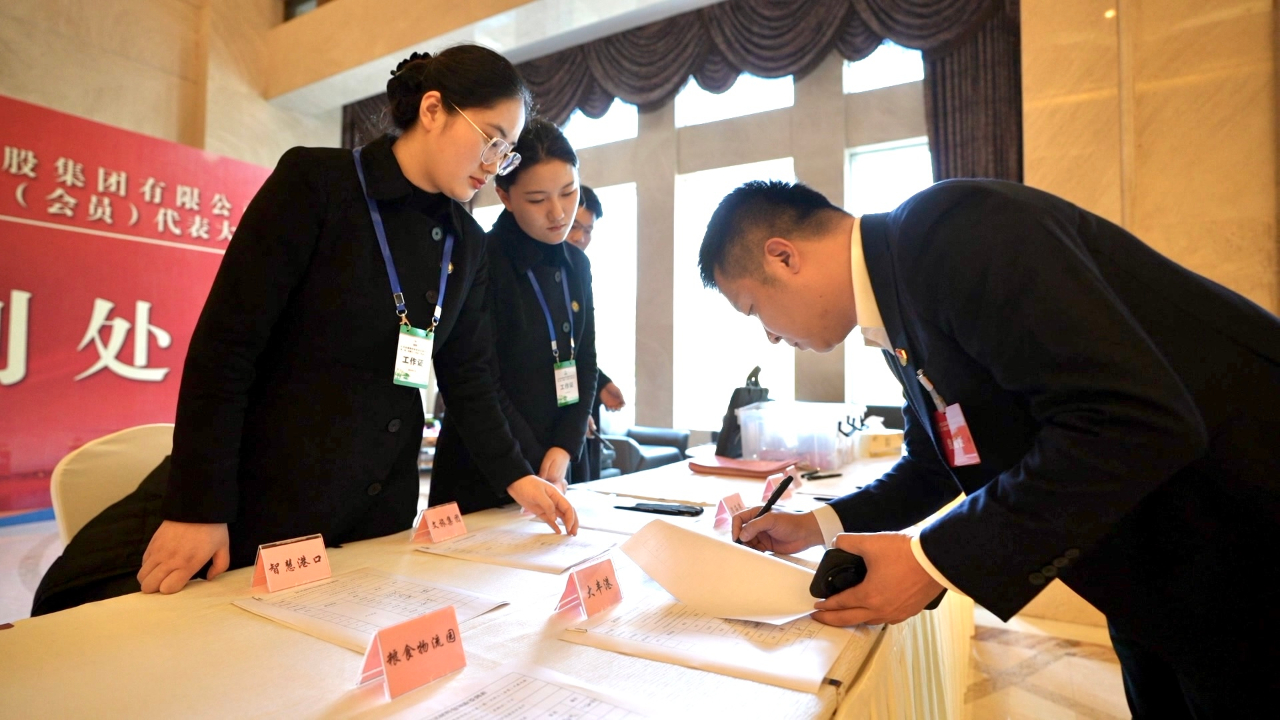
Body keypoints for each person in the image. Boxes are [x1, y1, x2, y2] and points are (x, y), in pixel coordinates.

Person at [31, 45, 577, 616]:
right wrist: (197, 508)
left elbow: (469, 379)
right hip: (260, 498)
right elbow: (226, 348)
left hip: (373, 514)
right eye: (491, 139)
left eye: (507, 151)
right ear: (434, 110)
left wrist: (517, 476)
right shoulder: (318, 184)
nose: (495, 163)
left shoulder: (467, 243)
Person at [706, 179, 1280, 717]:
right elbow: (936, 463)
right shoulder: (898, 304)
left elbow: (1129, 420)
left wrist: (931, 562)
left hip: (1236, 537)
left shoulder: (952, 230)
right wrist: (815, 525)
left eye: (754, 310)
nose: (770, 337)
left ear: (783, 257)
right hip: (1146, 562)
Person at [429, 120, 597, 510]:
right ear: (504, 195)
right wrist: (532, 461)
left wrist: (565, 446)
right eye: (537, 200)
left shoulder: (577, 263)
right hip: (488, 462)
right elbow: (476, 376)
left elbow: (585, 360)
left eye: (569, 192)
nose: (558, 213)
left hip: (556, 464)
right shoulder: (481, 257)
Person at [566, 185, 625, 481]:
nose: (580, 237)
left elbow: (575, 349)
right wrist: (575, 412)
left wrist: (600, 384)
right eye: (574, 227)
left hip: (576, 408)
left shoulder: (579, 268)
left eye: (587, 230)